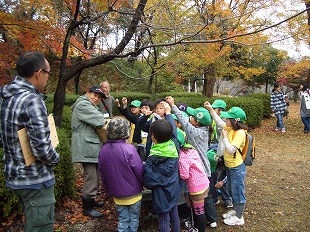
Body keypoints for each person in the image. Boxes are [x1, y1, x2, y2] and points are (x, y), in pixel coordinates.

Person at [0, 51, 60, 232]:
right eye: (48, 73)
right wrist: (56, 158)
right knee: (41, 227)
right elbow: (41, 149)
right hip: (35, 179)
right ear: (39, 73)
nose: (48, 78)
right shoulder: (32, 100)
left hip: (15, 176)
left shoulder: (5, 96)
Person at [165, 96, 218, 228]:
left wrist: (172, 106)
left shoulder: (196, 132)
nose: (190, 117)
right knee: (204, 199)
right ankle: (209, 220)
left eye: (193, 117)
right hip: (201, 171)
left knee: (202, 201)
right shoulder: (204, 129)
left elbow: (184, 122)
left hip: (198, 171)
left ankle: (206, 221)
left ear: (198, 122)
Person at [204, 103, 247, 226]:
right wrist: (211, 110)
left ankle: (239, 217)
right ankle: (235, 210)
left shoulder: (240, 133)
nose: (225, 120)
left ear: (235, 121)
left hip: (237, 167)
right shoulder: (232, 129)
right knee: (232, 190)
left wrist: (224, 138)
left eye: (228, 118)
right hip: (230, 166)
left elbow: (231, 149)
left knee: (238, 191)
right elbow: (219, 122)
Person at [98, 117, 144, 232]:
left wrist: (108, 191)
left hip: (117, 194)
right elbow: (139, 169)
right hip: (134, 193)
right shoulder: (129, 149)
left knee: (123, 219)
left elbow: (103, 174)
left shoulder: (103, 150)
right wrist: (144, 183)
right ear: (126, 132)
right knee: (134, 218)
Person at [71, 86, 106, 218]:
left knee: (95, 175)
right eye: (94, 95)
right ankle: (87, 207)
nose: (96, 98)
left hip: (90, 145)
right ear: (87, 93)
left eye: (99, 97)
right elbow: (99, 120)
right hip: (86, 146)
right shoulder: (83, 105)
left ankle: (91, 200)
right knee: (91, 176)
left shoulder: (88, 105)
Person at [143, 119, 181, 232]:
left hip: (161, 195)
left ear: (153, 137)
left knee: (163, 219)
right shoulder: (174, 147)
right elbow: (173, 133)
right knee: (174, 215)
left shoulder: (151, 160)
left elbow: (148, 181)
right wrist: (168, 113)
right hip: (174, 189)